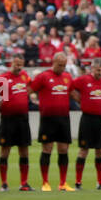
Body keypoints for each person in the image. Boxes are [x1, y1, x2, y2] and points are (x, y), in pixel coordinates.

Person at [31, 52, 75, 192]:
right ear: (54, 62)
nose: (62, 68)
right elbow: (29, 90)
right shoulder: (43, 76)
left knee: (63, 149)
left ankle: (63, 183)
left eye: (64, 65)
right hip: (48, 119)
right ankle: (45, 182)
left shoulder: (67, 77)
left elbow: (73, 93)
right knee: (47, 149)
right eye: (60, 65)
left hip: (63, 118)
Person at [71, 57, 101, 190]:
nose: (100, 73)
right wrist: (79, 100)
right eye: (97, 70)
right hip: (87, 119)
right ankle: (78, 182)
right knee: (84, 150)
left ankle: (100, 182)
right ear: (92, 69)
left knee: (100, 151)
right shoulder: (83, 80)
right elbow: (70, 87)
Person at [0, 56, 35, 191]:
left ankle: (24, 182)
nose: (19, 67)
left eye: (21, 65)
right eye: (17, 64)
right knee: (5, 150)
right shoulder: (3, 79)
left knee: (24, 150)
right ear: (12, 64)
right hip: (8, 119)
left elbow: (29, 89)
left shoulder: (25, 76)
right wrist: (5, 105)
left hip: (23, 119)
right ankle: (4, 183)